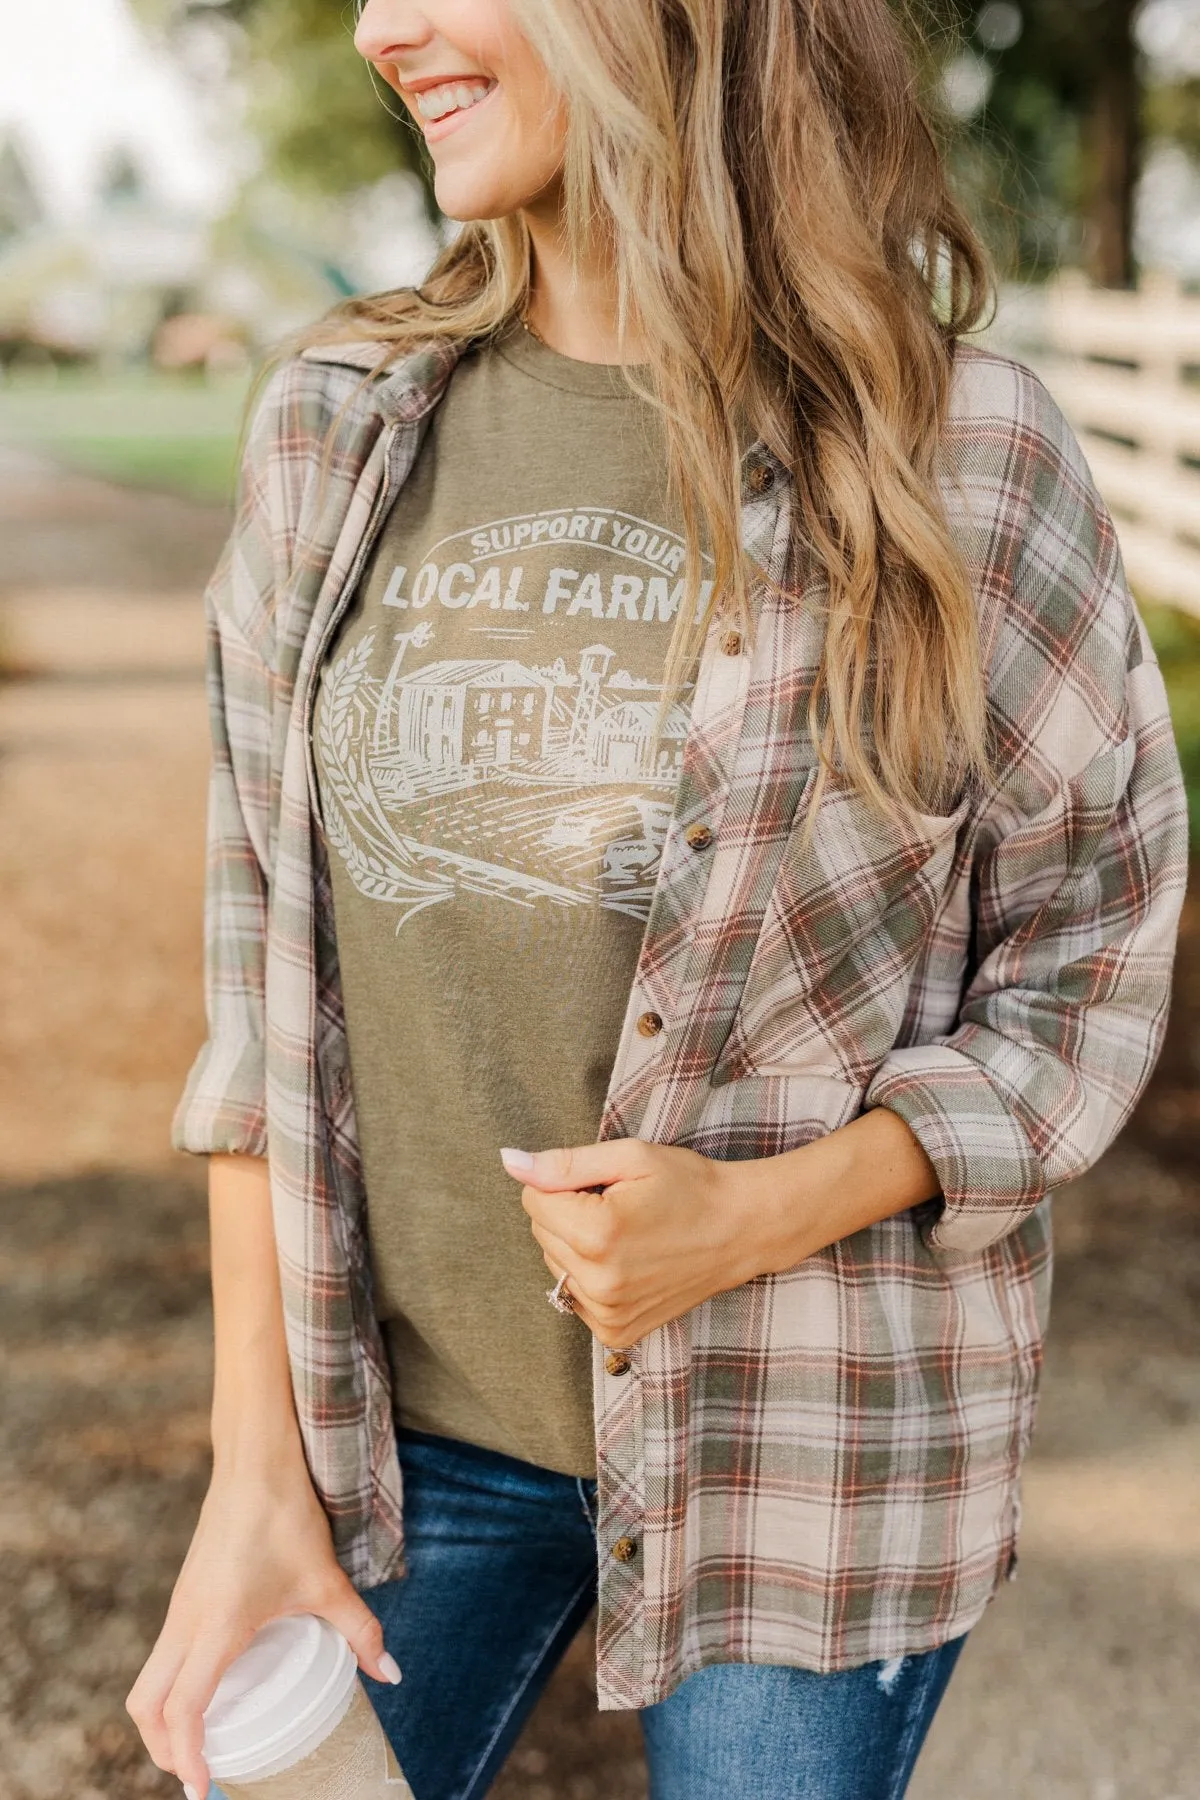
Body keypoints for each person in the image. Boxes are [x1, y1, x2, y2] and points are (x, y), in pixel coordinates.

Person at [126, 0, 1189, 1796]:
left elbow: (1084, 971)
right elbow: (260, 1010)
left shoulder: (967, 459)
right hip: (401, 1439)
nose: (385, 27)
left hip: (808, 1449)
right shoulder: (338, 426)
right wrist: (252, 1473)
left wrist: (772, 1209)